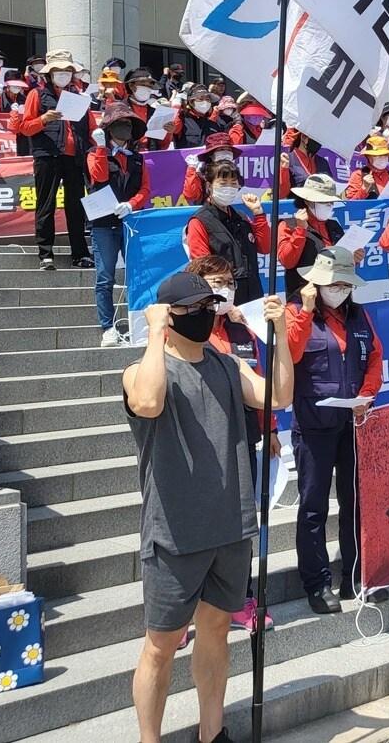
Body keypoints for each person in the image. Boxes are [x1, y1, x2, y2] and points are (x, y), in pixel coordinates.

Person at [123, 272, 291, 743]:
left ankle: (211, 732)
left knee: (216, 630)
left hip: (230, 523)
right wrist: (155, 332)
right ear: (170, 313)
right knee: (161, 645)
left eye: (208, 305)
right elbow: (150, 401)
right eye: (193, 307)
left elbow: (278, 396)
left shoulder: (224, 364)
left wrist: (279, 335)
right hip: (174, 531)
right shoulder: (143, 369)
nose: (204, 314)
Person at [183, 254, 274, 633]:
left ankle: (240, 600)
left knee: (242, 526)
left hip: (241, 438)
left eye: (228, 282)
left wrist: (268, 429)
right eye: (215, 282)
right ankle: (184, 612)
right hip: (198, 444)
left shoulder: (243, 328)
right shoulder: (189, 330)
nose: (225, 289)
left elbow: (261, 382)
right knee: (194, 528)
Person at [288, 247, 381, 613]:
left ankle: (353, 577)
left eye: (346, 284)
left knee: (354, 501)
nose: (340, 290)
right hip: (313, 424)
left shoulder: (360, 316)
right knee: (313, 506)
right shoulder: (299, 312)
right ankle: (316, 582)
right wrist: (308, 310)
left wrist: (367, 394)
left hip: (351, 422)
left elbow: (374, 355)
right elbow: (290, 354)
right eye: (333, 283)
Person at [15, 51, 92, 271]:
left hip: (74, 156)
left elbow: (88, 128)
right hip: (47, 155)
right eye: (58, 71)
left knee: (76, 206)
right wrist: (43, 119)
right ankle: (46, 254)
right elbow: (25, 127)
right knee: (46, 203)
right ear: (50, 74)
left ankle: (80, 253)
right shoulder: (37, 95)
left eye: (67, 71)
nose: (63, 75)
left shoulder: (78, 95)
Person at [85, 103, 151, 346]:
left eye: (128, 125)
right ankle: (107, 327)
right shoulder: (94, 153)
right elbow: (99, 177)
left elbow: (145, 189)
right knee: (105, 276)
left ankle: (140, 323)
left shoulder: (138, 160)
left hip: (130, 222)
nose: (125, 128)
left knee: (137, 273)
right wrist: (101, 147)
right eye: (119, 124)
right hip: (103, 223)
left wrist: (132, 204)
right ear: (109, 128)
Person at [184, 160, 271, 306]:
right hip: (224, 298)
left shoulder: (241, 217)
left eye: (233, 183)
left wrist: (258, 213)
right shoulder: (199, 221)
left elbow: (265, 247)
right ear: (209, 185)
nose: (229, 188)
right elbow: (202, 266)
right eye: (223, 183)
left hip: (253, 294)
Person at [276, 173, 346, 300]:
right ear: (308, 201)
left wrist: (354, 258)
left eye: (331, 202)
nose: (329, 205)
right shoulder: (288, 225)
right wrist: (300, 230)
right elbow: (287, 261)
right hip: (305, 296)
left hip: (336, 294)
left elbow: (344, 263)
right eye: (323, 201)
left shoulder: (334, 226)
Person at [180, 132, 239, 205]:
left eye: (228, 149)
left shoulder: (234, 171)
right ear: (211, 154)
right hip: (208, 211)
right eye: (221, 149)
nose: (226, 152)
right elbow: (191, 195)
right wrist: (191, 169)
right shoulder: (202, 173)